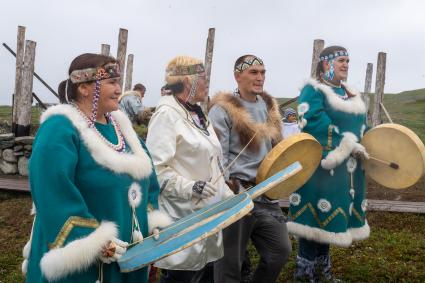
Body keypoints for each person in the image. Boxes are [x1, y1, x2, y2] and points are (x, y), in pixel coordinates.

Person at [22, 53, 172, 283]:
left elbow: (148, 181)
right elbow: (52, 192)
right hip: (83, 264)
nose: (118, 90)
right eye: (111, 82)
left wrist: (150, 221)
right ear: (84, 88)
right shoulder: (60, 128)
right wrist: (94, 242)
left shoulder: (121, 128)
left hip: (128, 256)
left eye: (118, 82)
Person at [146, 56, 234, 283]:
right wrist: (190, 187)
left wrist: (229, 199)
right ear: (188, 81)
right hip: (181, 215)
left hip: (207, 212)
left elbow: (212, 163)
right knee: (182, 276)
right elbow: (155, 168)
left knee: (204, 273)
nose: (207, 84)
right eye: (203, 78)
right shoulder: (166, 114)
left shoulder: (197, 114)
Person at [287, 46, 370, 282]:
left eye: (348, 61)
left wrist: (369, 143)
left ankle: (323, 271)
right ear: (326, 64)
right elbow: (312, 121)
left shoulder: (351, 94)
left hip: (347, 172)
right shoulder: (313, 90)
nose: (346, 65)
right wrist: (347, 144)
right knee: (313, 222)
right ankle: (305, 274)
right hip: (320, 169)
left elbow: (361, 128)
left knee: (329, 223)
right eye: (341, 60)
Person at [209, 54, 292, 283]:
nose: (260, 77)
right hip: (238, 194)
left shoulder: (269, 107)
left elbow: (277, 151)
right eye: (253, 72)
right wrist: (229, 190)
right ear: (238, 76)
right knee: (229, 266)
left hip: (266, 194)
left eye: (263, 72)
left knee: (279, 252)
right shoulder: (223, 109)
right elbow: (218, 156)